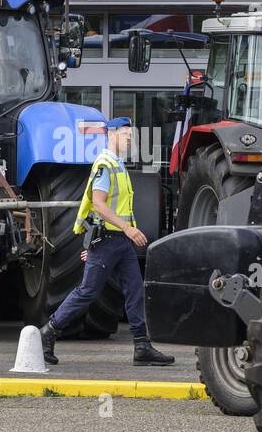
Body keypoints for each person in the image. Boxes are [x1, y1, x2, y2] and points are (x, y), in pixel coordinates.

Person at [40, 117, 174, 367]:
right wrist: (125, 229)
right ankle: (48, 332)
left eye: (131, 135)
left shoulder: (118, 164)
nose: (130, 138)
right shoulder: (105, 164)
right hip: (108, 240)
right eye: (125, 134)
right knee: (88, 292)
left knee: (135, 289)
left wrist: (125, 232)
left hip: (120, 242)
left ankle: (142, 346)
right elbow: (98, 203)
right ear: (112, 134)